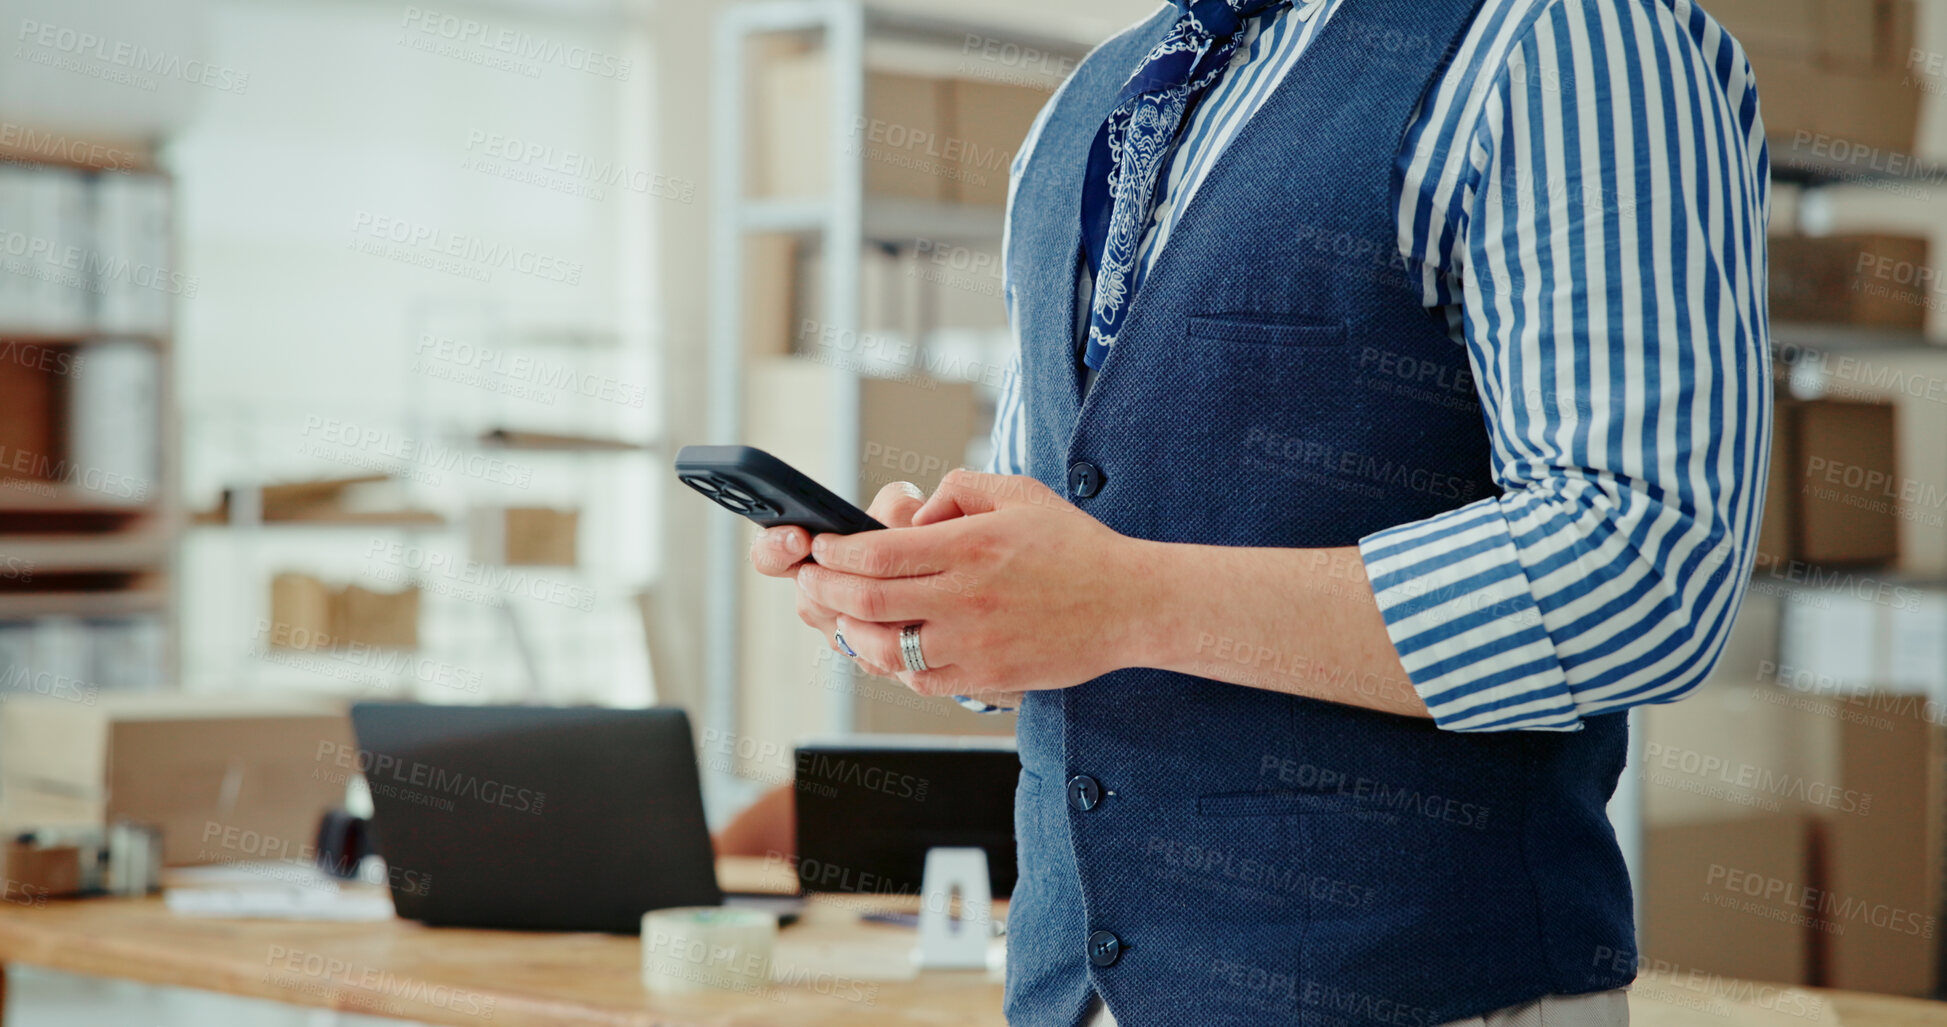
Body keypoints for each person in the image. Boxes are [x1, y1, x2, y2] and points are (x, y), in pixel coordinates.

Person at [752, 0, 1769, 1023]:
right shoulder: (1084, 105)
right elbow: (1065, 549)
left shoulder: (1564, 40)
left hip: (1416, 991)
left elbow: (1645, 567)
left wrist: (1119, 600)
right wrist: (933, 595)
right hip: (1068, 995)